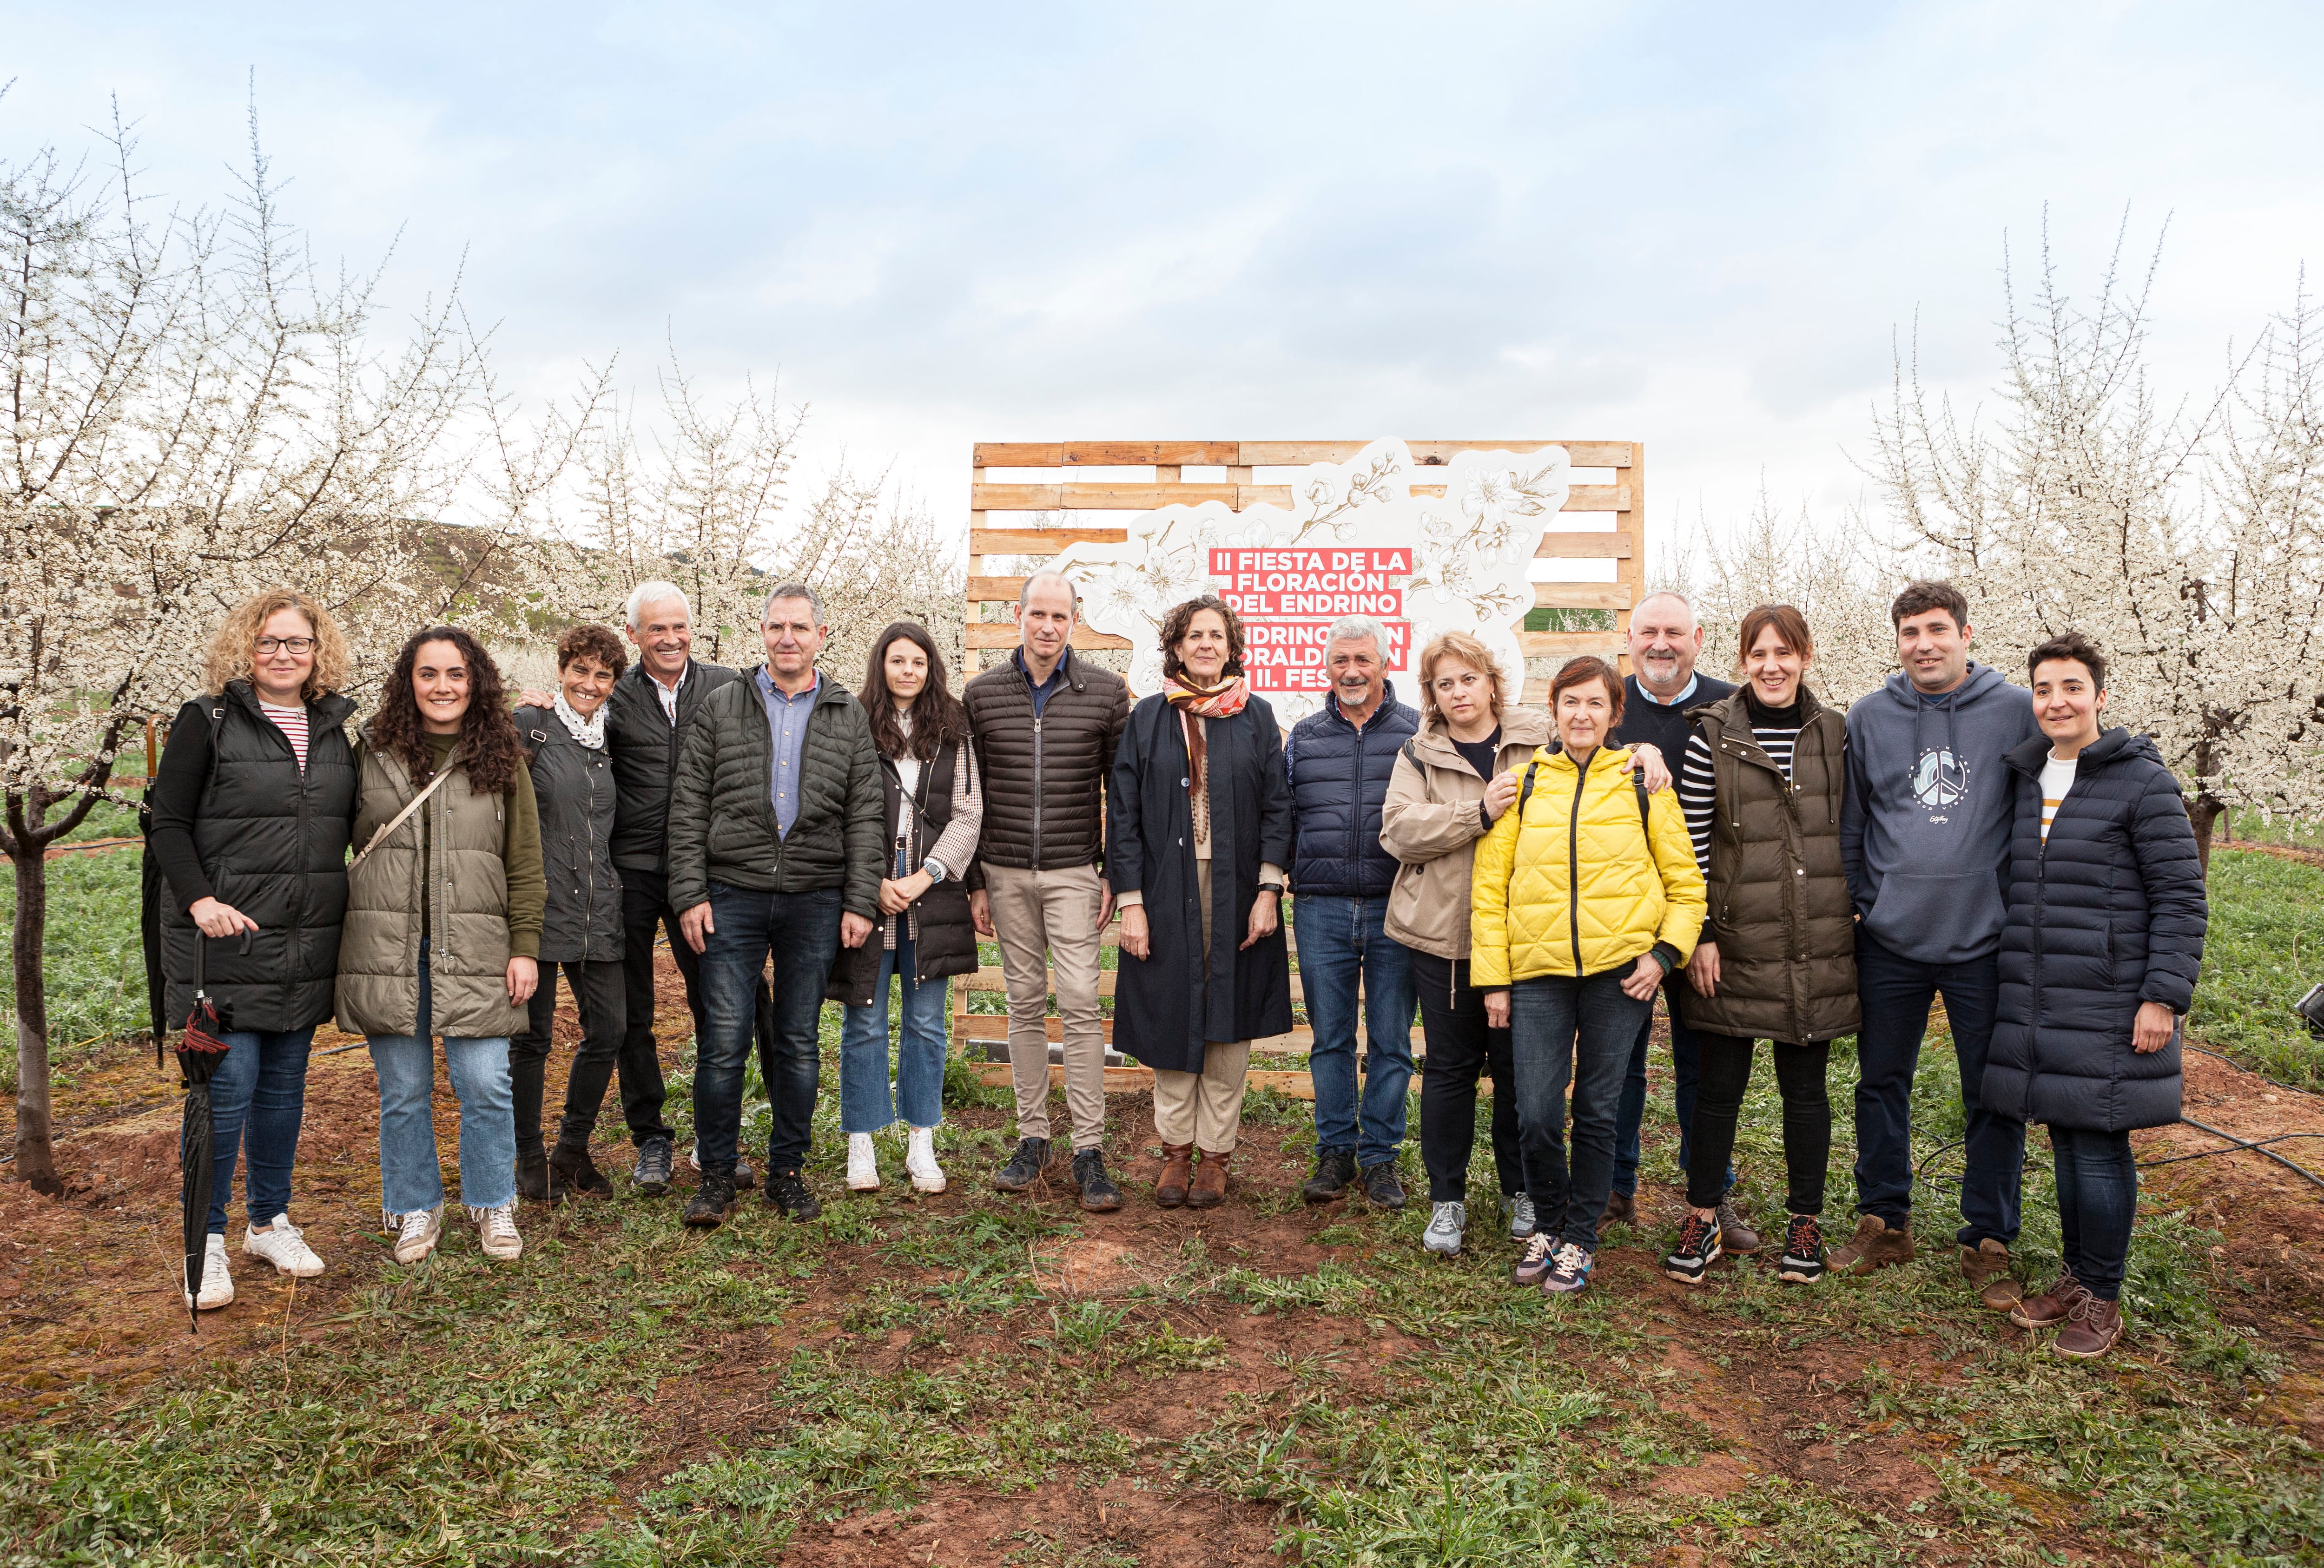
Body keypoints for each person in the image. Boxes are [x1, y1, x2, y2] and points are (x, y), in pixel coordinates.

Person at [1989, 632, 2205, 1358]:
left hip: (2112, 996)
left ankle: (2103, 1297)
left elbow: (2181, 894)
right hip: (2040, 994)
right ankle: (2076, 1276)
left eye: (2073, 687)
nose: (2058, 701)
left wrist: (2163, 996)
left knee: (2100, 1146)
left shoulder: (2141, 781)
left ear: (2100, 695)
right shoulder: (2027, 775)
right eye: (2045, 689)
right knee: (2064, 1138)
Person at [149, 589, 358, 1308]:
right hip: (225, 943)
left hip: (305, 945)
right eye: (269, 642)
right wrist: (199, 900)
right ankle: (202, 1243)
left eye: (297, 643)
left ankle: (269, 1221)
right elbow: (168, 822)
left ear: (317, 651)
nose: (283, 656)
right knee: (220, 1098)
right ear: (247, 647)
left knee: (282, 1094)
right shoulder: (206, 720)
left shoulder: (335, 728)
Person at [1472, 656, 1704, 1296]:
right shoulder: (1523, 784)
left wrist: (1663, 956)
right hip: (1538, 973)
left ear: (1613, 713)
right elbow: (1490, 891)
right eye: (1571, 702)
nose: (1582, 714)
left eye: (1596, 703)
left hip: (1619, 976)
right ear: (1554, 709)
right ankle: (1547, 1223)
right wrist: (1495, 978)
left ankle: (1579, 1238)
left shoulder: (1641, 783)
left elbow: (1686, 885)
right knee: (1537, 1111)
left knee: (1599, 1110)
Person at [1835, 579, 2039, 1304]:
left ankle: (1988, 1236)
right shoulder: (1870, 715)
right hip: (1892, 938)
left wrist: (2016, 906)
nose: (1924, 644)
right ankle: (1885, 1219)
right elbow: (1854, 821)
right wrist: (1867, 902)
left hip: (1985, 938)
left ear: (1966, 634)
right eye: (1911, 632)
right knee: (1881, 1081)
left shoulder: (2016, 711)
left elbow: (2037, 809)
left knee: (1994, 1088)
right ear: (1898, 641)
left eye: (1937, 630)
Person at [667, 583, 883, 1227]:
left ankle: (786, 1171)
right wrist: (689, 893)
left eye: (800, 627)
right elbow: (688, 806)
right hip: (730, 894)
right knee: (723, 1042)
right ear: (761, 632)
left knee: (796, 1041)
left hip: (816, 899)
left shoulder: (847, 713)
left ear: (822, 635)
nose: (787, 637)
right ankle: (715, 1175)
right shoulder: (721, 705)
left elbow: (866, 815)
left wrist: (860, 899)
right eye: (776, 626)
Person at [1661, 606, 1856, 1287]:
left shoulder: (1835, 733)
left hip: (1815, 940)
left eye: (1785, 651)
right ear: (1741, 661)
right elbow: (1688, 845)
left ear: (1806, 656)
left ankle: (1805, 1220)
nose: (1771, 665)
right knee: (1717, 1090)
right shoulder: (1710, 734)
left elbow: (1850, 835)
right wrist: (1703, 936)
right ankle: (1703, 1211)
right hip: (1734, 941)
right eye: (1758, 653)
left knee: (1806, 1091)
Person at [339, 626, 544, 1266]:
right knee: (404, 1089)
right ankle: (414, 1206)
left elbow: (526, 860)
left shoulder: (502, 755)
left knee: (484, 1083)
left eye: (455, 674)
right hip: (388, 946)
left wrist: (525, 945)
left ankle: (492, 1200)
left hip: (479, 944)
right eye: (428, 674)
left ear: (475, 680)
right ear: (409, 681)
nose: (442, 687)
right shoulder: (370, 752)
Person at [1111, 595, 1293, 1207]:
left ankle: (1216, 1155)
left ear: (1231, 644)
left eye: (1217, 635)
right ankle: (1176, 1152)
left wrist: (1270, 889)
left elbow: (1278, 809)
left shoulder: (1258, 718)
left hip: (1239, 889)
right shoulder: (1150, 719)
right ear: (1178, 646)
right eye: (1195, 635)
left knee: (1229, 1016)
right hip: (1166, 891)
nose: (1207, 644)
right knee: (1171, 1009)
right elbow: (1125, 815)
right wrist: (1131, 902)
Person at [963, 570, 1133, 1211]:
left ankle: (1089, 1147)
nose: (1048, 626)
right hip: (1005, 872)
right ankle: (1033, 1136)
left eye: (1060, 616)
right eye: (1038, 613)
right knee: (1024, 1003)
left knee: (1083, 1004)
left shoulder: (1106, 693)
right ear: (1019, 614)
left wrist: (1115, 869)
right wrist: (977, 880)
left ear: (1074, 621)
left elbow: (1124, 792)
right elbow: (967, 794)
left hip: (1072, 871)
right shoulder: (981, 695)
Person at [599, 582, 774, 1197]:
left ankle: (713, 1138)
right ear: (634, 636)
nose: (671, 639)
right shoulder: (612, 696)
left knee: (720, 1004)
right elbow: (567, 728)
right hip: (632, 871)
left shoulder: (730, 686)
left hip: (705, 870)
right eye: (656, 630)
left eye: (680, 627)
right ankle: (651, 1136)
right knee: (631, 1012)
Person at [1380, 630, 1552, 1257]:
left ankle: (1521, 1190)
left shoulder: (1538, 739)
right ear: (1432, 695)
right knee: (1451, 1070)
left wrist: (1644, 750)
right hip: (1443, 938)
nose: (1458, 692)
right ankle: (1447, 1199)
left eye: (1468, 679)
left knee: (1518, 1072)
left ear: (1491, 682)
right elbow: (1399, 829)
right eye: (1444, 683)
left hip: (1524, 937)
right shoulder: (1419, 754)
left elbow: (1600, 754)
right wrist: (1475, 813)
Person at [1604, 589, 1743, 1245]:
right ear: (1628, 639)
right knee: (1621, 1059)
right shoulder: (1604, 707)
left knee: (1703, 1062)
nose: (1661, 643)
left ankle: (1711, 1194)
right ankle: (1613, 1187)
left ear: (1699, 637)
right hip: (1623, 919)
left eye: (1675, 632)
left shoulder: (1730, 707)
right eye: (1648, 632)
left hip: (1703, 918)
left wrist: (1709, 928)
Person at [828, 621, 984, 1195]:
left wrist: (924, 877)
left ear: (930, 667)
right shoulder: (852, 722)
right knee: (862, 1021)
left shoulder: (954, 728)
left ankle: (922, 1140)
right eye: (897, 661)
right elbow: (839, 807)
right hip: (868, 896)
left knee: (925, 1024)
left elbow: (967, 812)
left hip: (930, 896)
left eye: (917, 662)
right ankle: (862, 1141)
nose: (907, 671)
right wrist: (870, 881)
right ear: (881, 665)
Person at [1285, 616, 1420, 1209]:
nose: (1352, 671)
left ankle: (1381, 1157)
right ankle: (1336, 1150)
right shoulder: (1304, 735)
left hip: (1399, 908)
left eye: (1362, 659)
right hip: (1321, 907)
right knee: (1330, 1038)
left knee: (1392, 1039)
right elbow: (1281, 814)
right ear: (1327, 668)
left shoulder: (1418, 734)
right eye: (1340, 661)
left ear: (1385, 665)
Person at [507, 624, 631, 1204]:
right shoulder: (529, 727)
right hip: (537, 902)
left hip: (598, 904)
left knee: (609, 1028)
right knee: (531, 1038)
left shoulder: (615, 737)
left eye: (602, 675)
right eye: (579, 671)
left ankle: (572, 1148)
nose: (589, 683)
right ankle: (528, 1156)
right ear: (560, 671)